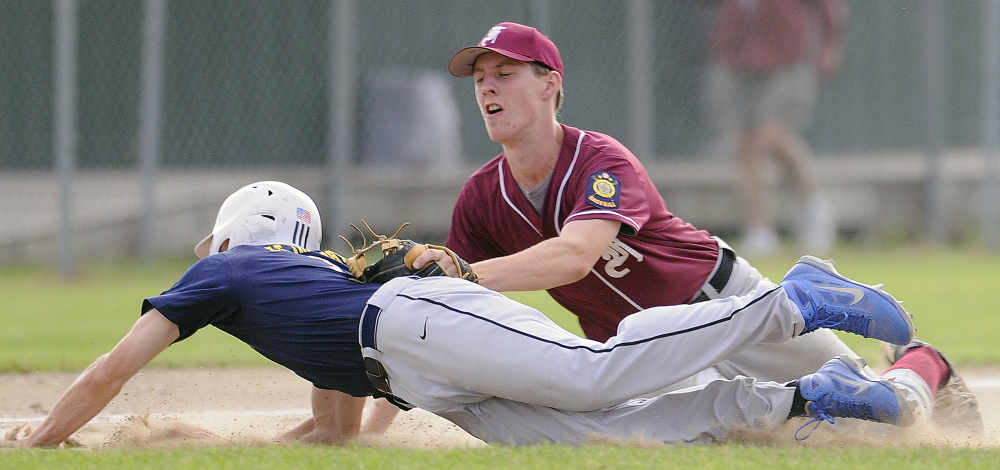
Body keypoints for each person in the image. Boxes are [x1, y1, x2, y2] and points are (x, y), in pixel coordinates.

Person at [15, 181, 931, 448]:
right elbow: (334, 433)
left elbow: (109, 368)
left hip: (415, 323)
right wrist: (186, 438)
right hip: (419, 375)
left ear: (226, 239)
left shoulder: (229, 273)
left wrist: (45, 444)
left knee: (591, 376)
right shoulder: (288, 289)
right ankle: (811, 399)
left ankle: (789, 298)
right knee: (599, 438)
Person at [401, 21, 983, 436]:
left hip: (731, 307)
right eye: (479, 79)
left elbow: (576, 256)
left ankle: (924, 362)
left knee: (875, 421)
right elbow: (448, 308)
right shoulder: (481, 196)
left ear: (550, 82)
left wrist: (468, 270)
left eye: (504, 73)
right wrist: (385, 388)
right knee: (732, 434)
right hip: (651, 350)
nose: (487, 89)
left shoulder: (600, 159)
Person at [705, 0, 846, 256]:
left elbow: (828, 10)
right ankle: (759, 230)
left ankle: (813, 207)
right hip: (737, 57)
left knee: (771, 138)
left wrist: (829, 47)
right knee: (745, 145)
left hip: (787, 56)